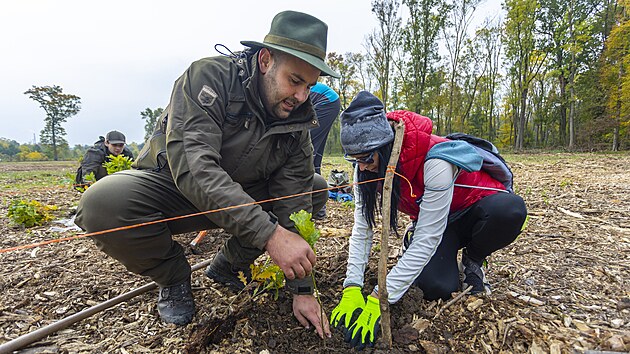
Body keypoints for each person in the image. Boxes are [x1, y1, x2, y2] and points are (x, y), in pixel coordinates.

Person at [75, 10, 339, 338]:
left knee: (313, 187)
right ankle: (173, 277)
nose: (301, 96)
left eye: (309, 86)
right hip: (175, 188)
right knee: (103, 201)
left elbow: (294, 198)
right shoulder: (208, 79)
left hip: (242, 196)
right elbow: (195, 168)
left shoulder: (297, 117)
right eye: (295, 81)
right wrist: (270, 236)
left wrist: (302, 290)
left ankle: (229, 266)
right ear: (266, 60)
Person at [329, 91, 527, 349]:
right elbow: (362, 228)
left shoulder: (435, 162)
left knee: (510, 211)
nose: (362, 166)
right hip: (435, 221)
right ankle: (436, 255)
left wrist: (382, 297)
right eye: (354, 159)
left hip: (475, 211)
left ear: (385, 147)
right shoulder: (365, 166)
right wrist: (352, 285)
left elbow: (428, 238)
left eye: (366, 158)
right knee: (437, 287)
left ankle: (473, 260)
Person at [308, 82, 341, 219]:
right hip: (331, 101)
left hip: (326, 102)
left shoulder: (293, 87)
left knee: (305, 151)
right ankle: (319, 211)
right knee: (314, 155)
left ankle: (316, 209)